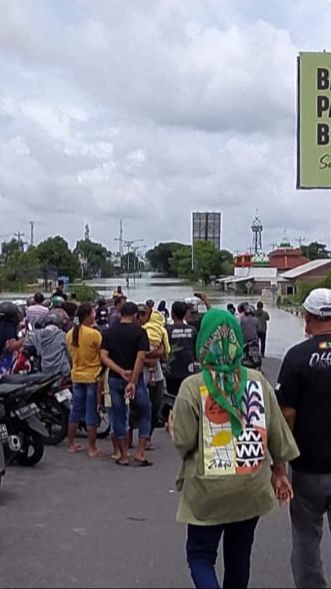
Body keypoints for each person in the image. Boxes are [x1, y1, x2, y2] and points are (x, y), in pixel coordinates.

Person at [171, 308, 299, 589]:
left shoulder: (193, 387)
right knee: (239, 556)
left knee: (200, 556)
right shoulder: (257, 380)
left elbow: (183, 441)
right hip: (250, 485)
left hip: (208, 490)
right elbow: (278, 432)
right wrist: (280, 472)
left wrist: (174, 426)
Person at [276, 288, 331, 589]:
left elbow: (286, 414)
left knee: (307, 540)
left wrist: (279, 465)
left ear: (307, 317)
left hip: (308, 466)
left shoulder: (297, 356)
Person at [100, 302, 151, 466]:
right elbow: (141, 357)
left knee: (119, 415)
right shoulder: (140, 332)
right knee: (144, 412)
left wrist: (120, 371)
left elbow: (104, 357)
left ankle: (123, 455)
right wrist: (132, 380)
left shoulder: (108, 332)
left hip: (115, 378)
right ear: (136, 315)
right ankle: (141, 453)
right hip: (136, 380)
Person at [66, 303, 106, 458]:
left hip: (76, 376)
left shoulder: (70, 334)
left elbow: (70, 354)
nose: (94, 315)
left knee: (75, 410)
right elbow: (102, 353)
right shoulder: (94, 334)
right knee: (91, 413)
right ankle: (92, 448)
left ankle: (71, 444)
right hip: (92, 376)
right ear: (88, 316)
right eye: (93, 313)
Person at [165, 301, 197, 398]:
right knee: (188, 397)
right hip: (188, 371)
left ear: (172, 314)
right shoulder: (192, 330)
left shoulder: (167, 330)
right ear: (185, 314)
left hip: (171, 371)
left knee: (172, 398)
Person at [24, 311, 71, 375]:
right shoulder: (63, 335)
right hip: (62, 371)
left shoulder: (36, 334)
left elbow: (26, 345)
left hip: (45, 371)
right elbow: (69, 354)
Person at [0, 301, 25, 374]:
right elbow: (11, 346)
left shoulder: (4, 325)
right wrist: (26, 339)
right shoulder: (8, 328)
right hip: (3, 361)